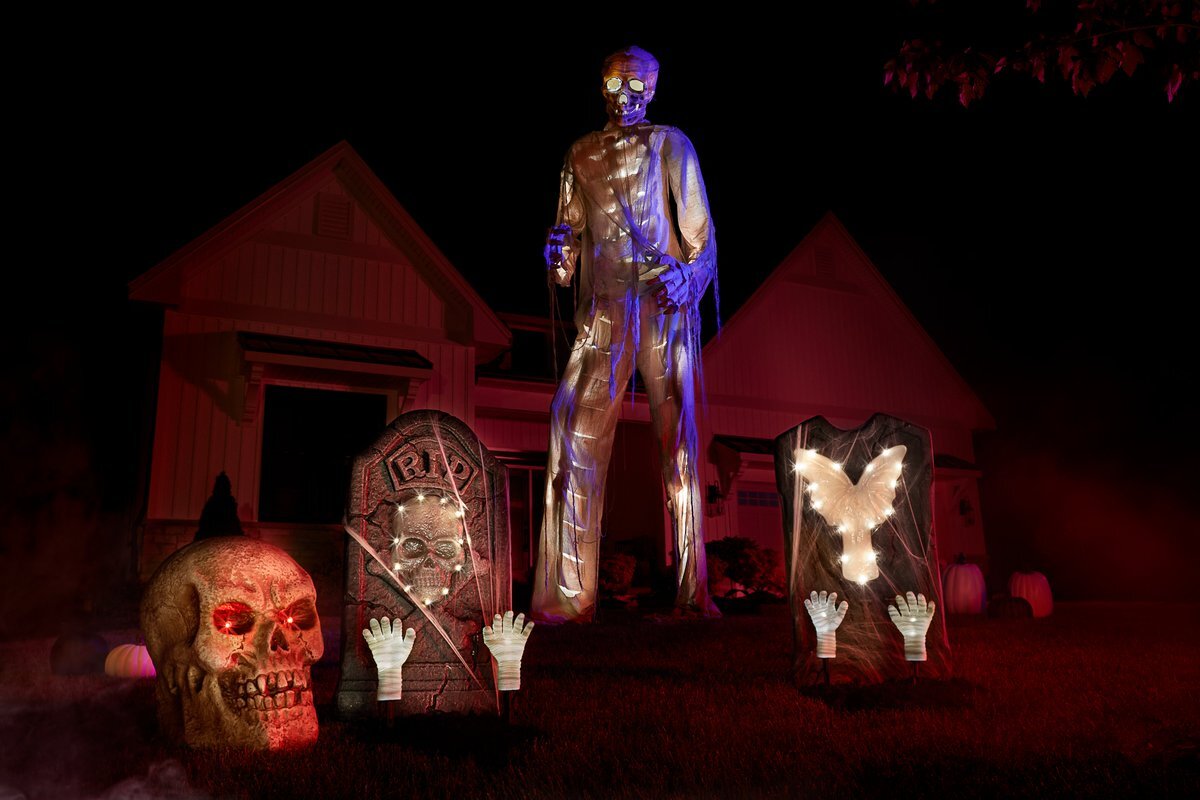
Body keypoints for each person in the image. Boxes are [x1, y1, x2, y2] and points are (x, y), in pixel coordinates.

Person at [532, 45, 720, 622]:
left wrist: (688, 278)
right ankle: (568, 595)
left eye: (638, 87)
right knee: (572, 426)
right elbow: (566, 244)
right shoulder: (580, 154)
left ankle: (693, 591)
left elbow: (701, 238)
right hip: (604, 307)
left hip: (661, 302)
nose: (628, 98)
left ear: (654, 89)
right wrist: (558, 254)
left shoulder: (671, 143)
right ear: (602, 88)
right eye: (617, 86)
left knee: (679, 439)